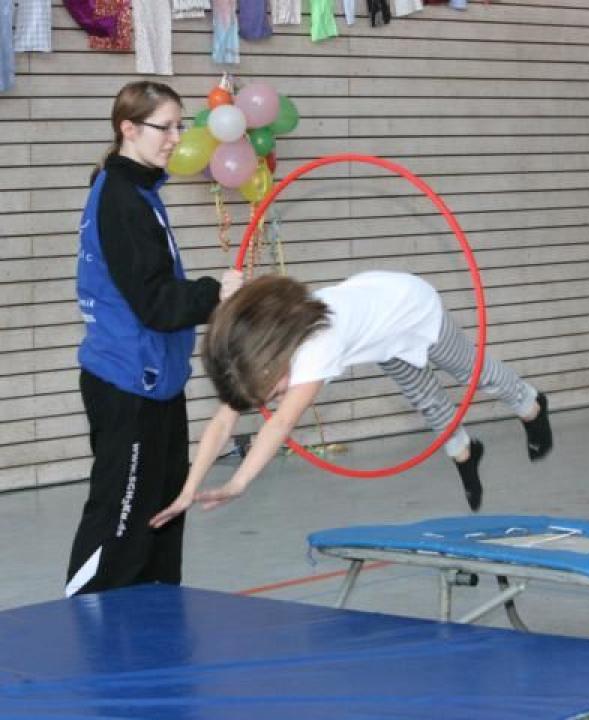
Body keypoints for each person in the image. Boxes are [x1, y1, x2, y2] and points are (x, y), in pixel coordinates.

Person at [150, 271, 552, 529]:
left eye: (271, 393)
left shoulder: (316, 351)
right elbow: (224, 420)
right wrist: (188, 490)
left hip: (411, 308)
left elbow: (281, 424)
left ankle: (531, 405)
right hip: (378, 328)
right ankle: (466, 454)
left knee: (472, 373)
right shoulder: (260, 347)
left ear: (275, 364)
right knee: (425, 399)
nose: (273, 399)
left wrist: (238, 482)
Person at [66, 81, 241, 597]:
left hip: (158, 381)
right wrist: (215, 292)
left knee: (162, 518)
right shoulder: (120, 199)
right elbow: (156, 303)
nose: (177, 138)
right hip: (126, 382)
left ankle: (154, 626)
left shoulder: (141, 193)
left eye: (180, 126)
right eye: (165, 127)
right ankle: (84, 621)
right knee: (118, 524)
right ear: (128, 128)